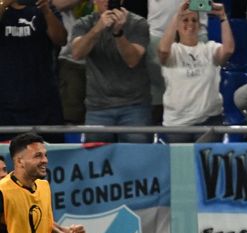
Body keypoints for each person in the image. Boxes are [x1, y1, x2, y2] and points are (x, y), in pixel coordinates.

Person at [72, 0, 151, 143]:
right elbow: (77, 54)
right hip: (98, 107)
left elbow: (132, 60)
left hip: (134, 106)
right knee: (97, 155)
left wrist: (118, 33)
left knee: (137, 155)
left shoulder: (138, 23)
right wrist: (98, 28)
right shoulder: (84, 23)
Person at [158, 1, 234, 143]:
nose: (190, 23)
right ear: (177, 25)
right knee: (182, 159)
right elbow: (163, 50)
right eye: (185, 20)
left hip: (209, 121)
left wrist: (223, 17)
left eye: (194, 20)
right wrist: (177, 14)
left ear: (199, 26)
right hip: (177, 124)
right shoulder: (173, 50)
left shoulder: (210, 49)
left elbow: (228, 50)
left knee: (205, 158)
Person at [0, 0, 66, 142]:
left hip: (44, 101)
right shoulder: (2, 11)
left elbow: (61, 39)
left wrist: (46, 11)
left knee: (47, 151)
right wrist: (3, 4)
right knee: (8, 152)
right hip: (7, 103)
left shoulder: (44, 8)